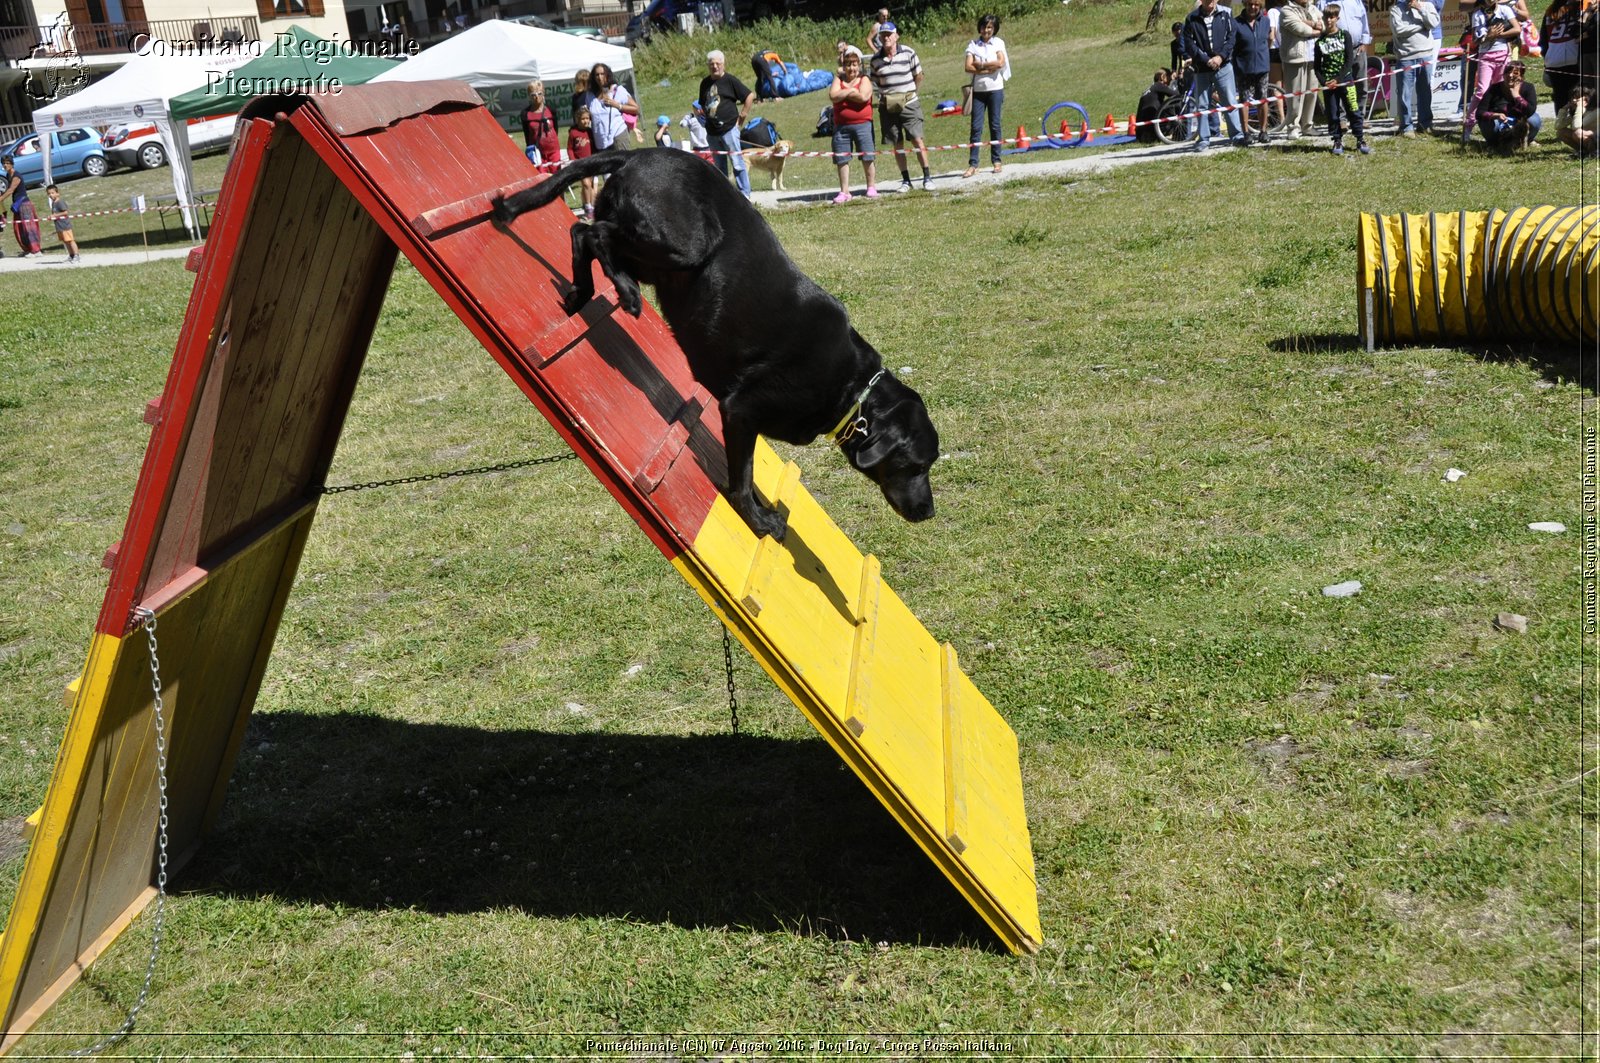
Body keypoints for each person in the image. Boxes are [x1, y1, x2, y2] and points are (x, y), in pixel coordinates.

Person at [870, 21, 934, 190]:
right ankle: (906, 181)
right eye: (883, 35)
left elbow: (918, 75)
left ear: (896, 35)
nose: (886, 38)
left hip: (910, 103)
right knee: (897, 144)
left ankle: (927, 177)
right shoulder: (875, 60)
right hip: (888, 107)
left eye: (889, 34)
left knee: (917, 140)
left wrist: (912, 93)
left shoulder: (909, 53)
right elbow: (875, 82)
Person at [1183, 0, 1248, 149]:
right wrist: (1206, 60)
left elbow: (1232, 38)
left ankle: (1237, 136)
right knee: (1202, 106)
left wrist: (1220, 57)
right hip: (1202, 68)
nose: (1210, 2)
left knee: (1230, 102)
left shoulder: (1226, 13)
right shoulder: (1191, 18)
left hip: (1223, 66)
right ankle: (1204, 139)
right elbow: (1189, 43)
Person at [1462, 0, 1522, 144]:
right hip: (1486, 55)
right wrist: (1489, 36)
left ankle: (1505, 123)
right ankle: (1469, 123)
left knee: (1502, 89)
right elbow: (1476, 40)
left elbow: (1517, 29)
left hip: (1503, 54)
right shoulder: (1477, 14)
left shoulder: (1504, 10)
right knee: (1482, 90)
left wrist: (1499, 35)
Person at [1315, 4, 1371, 153]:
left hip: (1346, 81)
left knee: (1353, 109)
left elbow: (1348, 61)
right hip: (1329, 84)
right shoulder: (1320, 42)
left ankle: (1360, 139)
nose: (1329, 20)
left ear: (1337, 18)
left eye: (1332, 17)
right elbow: (1317, 66)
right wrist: (1324, 81)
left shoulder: (1345, 35)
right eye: (1326, 17)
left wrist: (1339, 80)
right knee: (1333, 113)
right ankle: (1337, 140)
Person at [699, 49, 755, 198]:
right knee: (719, 167)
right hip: (712, 132)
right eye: (712, 64)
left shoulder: (730, 80)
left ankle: (745, 194)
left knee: (737, 163)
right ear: (708, 65)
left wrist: (742, 116)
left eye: (718, 63)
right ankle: (725, 196)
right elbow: (701, 104)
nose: (715, 66)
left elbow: (749, 96)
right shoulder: (704, 83)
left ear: (723, 64)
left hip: (729, 129)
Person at [829, 45, 878, 202]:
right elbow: (833, 96)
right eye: (848, 65)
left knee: (867, 156)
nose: (852, 68)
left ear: (859, 66)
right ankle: (844, 191)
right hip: (841, 127)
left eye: (855, 64)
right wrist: (851, 92)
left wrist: (844, 93)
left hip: (863, 124)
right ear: (844, 67)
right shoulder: (838, 79)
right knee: (842, 159)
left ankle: (871, 187)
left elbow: (864, 97)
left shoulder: (865, 79)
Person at [963, 14, 1008, 175]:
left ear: (994, 28)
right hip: (978, 92)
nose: (986, 30)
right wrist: (989, 67)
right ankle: (973, 164)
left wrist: (980, 64)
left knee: (995, 125)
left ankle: (997, 161)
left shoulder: (998, 43)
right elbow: (968, 66)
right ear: (979, 28)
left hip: (995, 89)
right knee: (976, 128)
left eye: (989, 27)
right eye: (984, 26)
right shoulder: (973, 45)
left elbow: (1000, 62)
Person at [1390, 0, 1440, 136]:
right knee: (1405, 94)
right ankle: (1406, 127)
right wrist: (1421, 26)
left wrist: (1421, 10)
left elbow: (1434, 23)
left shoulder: (1428, 6)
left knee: (1425, 92)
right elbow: (1399, 30)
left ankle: (1425, 124)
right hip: (1405, 57)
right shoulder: (1396, 10)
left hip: (1426, 55)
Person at [1278, 0, 1325, 137]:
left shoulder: (1313, 8)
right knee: (1295, 94)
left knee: (1312, 92)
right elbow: (1299, 29)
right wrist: (1313, 26)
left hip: (1313, 57)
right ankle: (1293, 127)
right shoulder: (1287, 10)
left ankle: (1307, 125)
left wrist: (1310, 23)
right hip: (1295, 58)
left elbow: (1324, 26)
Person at [1539, 0, 1596, 110]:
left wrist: (1548, 56)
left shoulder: (1551, 10)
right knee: (1576, 101)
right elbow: (1543, 40)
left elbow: (1543, 41)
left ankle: (1567, 126)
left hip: (1560, 61)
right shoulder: (1553, 10)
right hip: (1568, 61)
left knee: (1567, 102)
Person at [1476, 58, 1541, 146]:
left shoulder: (1528, 88)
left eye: (1515, 73)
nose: (1510, 75)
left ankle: (1526, 140)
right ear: (1503, 75)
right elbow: (1479, 113)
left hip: (1519, 124)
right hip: (1499, 124)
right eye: (1507, 72)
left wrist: (1516, 95)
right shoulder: (1494, 88)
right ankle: (1494, 143)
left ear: (1521, 76)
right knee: (1487, 122)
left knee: (1534, 119)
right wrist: (1495, 115)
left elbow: (1530, 111)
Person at [1235, 0, 1275, 143]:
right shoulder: (1236, 23)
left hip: (1262, 67)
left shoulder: (1265, 21)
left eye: (1256, 5)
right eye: (1250, 4)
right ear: (1245, 4)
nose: (1253, 7)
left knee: (1263, 99)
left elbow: (1270, 40)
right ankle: (1246, 133)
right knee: (1244, 100)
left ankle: (1263, 131)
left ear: (1260, 5)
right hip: (1243, 68)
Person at [1318, 0, 1371, 106]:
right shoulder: (1323, 3)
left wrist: (1364, 42)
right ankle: (1342, 118)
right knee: (1339, 85)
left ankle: (1360, 118)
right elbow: (1320, 27)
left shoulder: (1356, 1)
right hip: (1336, 52)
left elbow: (1364, 21)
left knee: (1361, 85)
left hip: (1358, 49)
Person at [586, 63, 638, 152]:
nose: (600, 77)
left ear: (608, 75)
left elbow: (636, 109)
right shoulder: (590, 95)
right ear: (593, 77)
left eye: (602, 74)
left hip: (618, 134)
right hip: (600, 140)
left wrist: (617, 105)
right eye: (597, 75)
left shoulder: (617, 90)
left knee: (621, 164)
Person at [3, 156, 40, 258]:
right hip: (16, 205)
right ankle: (27, 249)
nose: (5, 165)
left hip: (24, 204)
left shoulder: (16, 176)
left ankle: (36, 250)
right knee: (19, 228)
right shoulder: (8, 175)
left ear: (12, 164)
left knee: (29, 228)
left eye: (7, 163)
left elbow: (11, 190)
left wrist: (0, 199)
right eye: (3, 163)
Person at [519, 80, 560, 171]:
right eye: (533, 95)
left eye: (539, 93)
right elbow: (527, 134)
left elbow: (555, 129)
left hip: (553, 150)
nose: (537, 97)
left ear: (544, 93)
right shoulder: (525, 114)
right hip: (538, 152)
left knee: (557, 176)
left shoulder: (551, 109)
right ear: (529, 96)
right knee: (542, 178)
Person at [566, 107, 597, 219]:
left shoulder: (590, 132)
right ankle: (588, 208)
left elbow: (594, 147)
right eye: (583, 118)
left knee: (590, 186)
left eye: (587, 118)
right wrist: (573, 160)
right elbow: (569, 148)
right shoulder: (573, 133)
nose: (585, 121)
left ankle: (590, 205)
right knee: (586, 184)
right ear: (578, 119)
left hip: (591, 162)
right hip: (580, 164)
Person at [1136, 68, 1180, 142]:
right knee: (1172, 107)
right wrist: (1176, 81)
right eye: (1169, 77)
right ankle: (1173, 133)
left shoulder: (1152, 87)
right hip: (1149, 128)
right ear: (1162, 77)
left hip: (1140, 131)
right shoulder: (1159, 85)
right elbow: (1176, 95)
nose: (1170, 80)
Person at [1555, 86, 1597, 152]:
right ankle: (1582, 151)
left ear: (1587, 100)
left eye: (1577, 98)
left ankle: (1593, 153)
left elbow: (1577, 126)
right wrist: (1563, 110)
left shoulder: (1596, 112)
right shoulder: (1577, 112)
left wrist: (1579, 108)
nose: (1574, 100)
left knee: (1578, 133)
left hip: (1596, 139)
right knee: (1561, 132)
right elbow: (1558, 126)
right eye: (1573, 98)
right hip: (1587, 138)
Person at [45, 183, 78, 263]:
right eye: (49, 193)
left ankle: (77, 256)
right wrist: (52, 217)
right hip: (59, 226)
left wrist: (55, 215)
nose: (50, 195)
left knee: (70, 240)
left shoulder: (60, 202)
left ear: (57, 193)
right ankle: (71, 255)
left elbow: (65, 212)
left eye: (52, 193)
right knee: (66, 241)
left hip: (65, 225)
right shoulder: (53, 203)